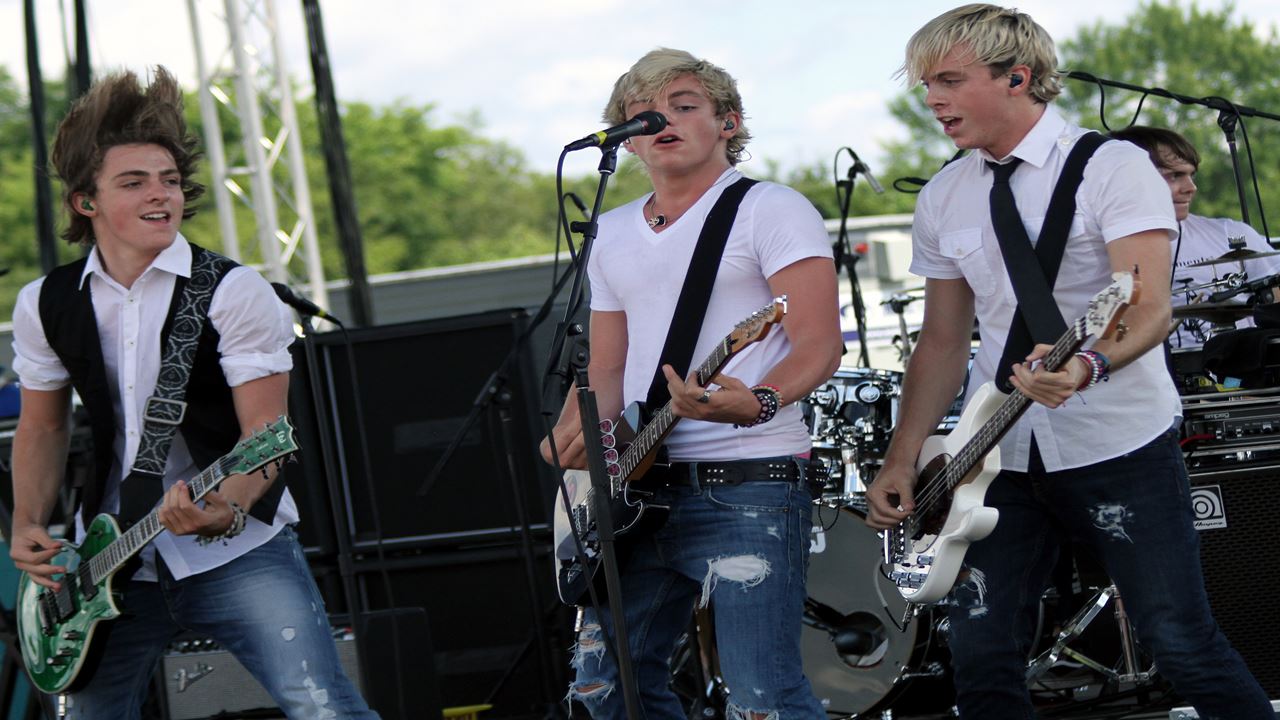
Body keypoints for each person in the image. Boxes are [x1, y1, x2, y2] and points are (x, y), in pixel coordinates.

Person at [864, 5, 1273, 719]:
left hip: (1120, 442)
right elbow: (941, 342)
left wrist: (1090, 367)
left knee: (1180, 642)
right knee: (980, 656)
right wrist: (901, 458)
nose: (932, 99)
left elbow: (1148, 307)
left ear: (1017, 78)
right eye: (926, 84)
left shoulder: (1114, 168)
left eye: (950, 80)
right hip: (997, 456)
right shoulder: (943, 195)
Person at [7, 67, 376, 719]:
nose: (161, 195)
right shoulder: (45, 302)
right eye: (134, 182)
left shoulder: (233, 290)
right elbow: (43, 426)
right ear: (85, 203)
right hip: (105, 560)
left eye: (170, 180)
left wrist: (227, 508)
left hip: (238, 549)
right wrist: (28, 522)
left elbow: (265, 436)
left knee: (323, 707)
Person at [540, 48, 843, 719]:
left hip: (747, 482)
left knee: (762, 698)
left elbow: (820, 343)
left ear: (727, 122)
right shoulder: (612, 232)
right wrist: (570, 434)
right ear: (625, 137)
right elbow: (607, 367)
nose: (662, 121)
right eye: (642, 113)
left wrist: (759, 399)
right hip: (636, 491)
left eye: (683, 106)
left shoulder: (770, 209)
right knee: (604, 692)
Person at [1109, 124, 1280, 348]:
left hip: (1240, 365)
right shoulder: (1098, 251)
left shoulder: (1232, 233)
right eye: (1174, 175)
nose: (1191, 187)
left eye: (1191, 174)